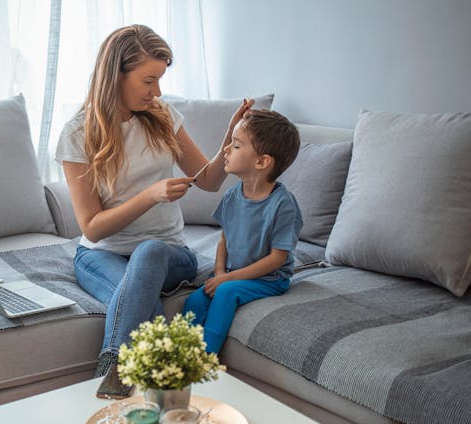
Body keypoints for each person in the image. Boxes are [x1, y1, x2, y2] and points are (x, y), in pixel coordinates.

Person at [55, 24, 251, 384]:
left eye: (159, 79)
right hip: (101, 254)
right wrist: (149, 196)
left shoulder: (162, 116)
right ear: (116, 74)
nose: (157, 91)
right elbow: (92, 228)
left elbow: (207, 181)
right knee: (140, 302)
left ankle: (113, 370)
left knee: (149, 253)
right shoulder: (77, 134)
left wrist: (231, 136)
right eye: (148, 81)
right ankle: (158, 384)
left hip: (169, 254)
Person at [182, 109, 303, 354]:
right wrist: (218, 272)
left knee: (225, 292)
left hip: (269, 280)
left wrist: (227, 279)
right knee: (194, 300)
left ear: (261, 162)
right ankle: (179, 355)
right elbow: (224, 240)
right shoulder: (232, 196)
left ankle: (204, 360)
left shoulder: (283, 205)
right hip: (232, 273)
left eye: (236, 146)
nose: (226, 149)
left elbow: (277, 259)